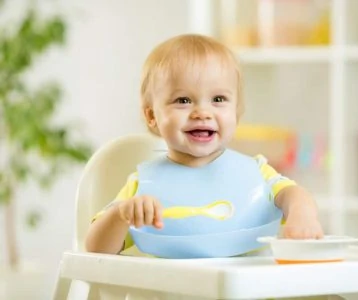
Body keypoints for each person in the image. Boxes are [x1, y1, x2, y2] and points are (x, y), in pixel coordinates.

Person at [85, 34, 324, 255]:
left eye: (218, 99)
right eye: (183, 100)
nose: (202, 112)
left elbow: (293, 195)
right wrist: (121, 214)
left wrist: (302, 214)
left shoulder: (256, 173)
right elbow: (95, 251)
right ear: (152, 116)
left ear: (236, 112)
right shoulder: (142, 186)